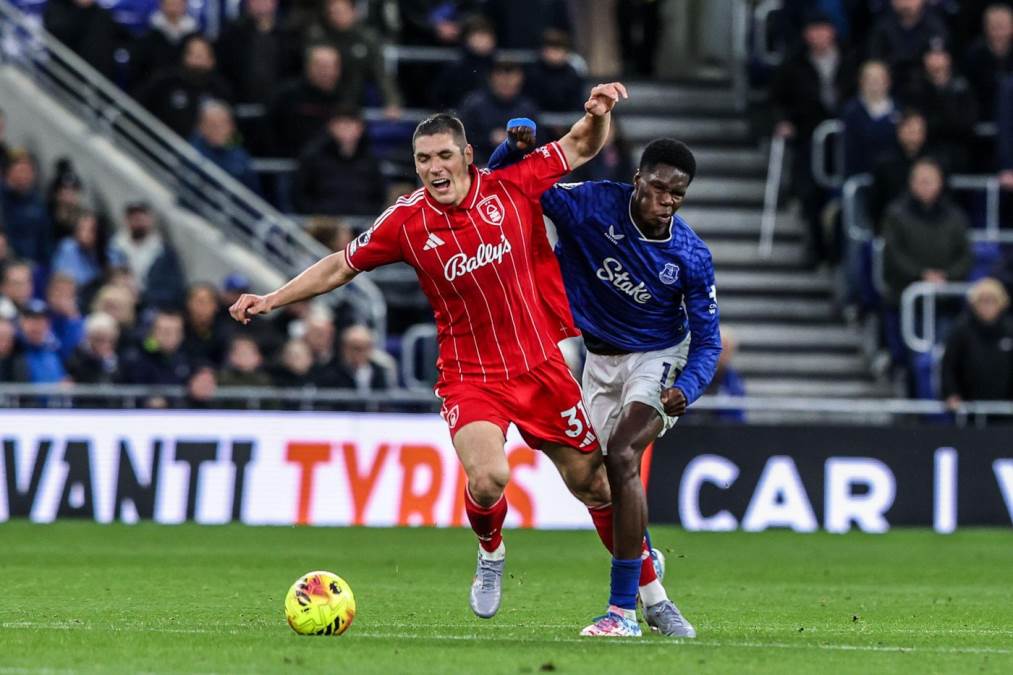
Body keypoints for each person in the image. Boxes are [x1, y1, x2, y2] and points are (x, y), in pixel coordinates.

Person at [229, 83, 653, 628]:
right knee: (489, 478)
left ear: (467, 155)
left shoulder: (511, 185)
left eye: (444, 156)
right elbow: (340, 265)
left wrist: (598, 113)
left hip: (540, 366)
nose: (434, 168)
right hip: (470, 376)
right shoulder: (405, 222)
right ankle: (491, 552)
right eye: (423, 159)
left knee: (594, 484)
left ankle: (648, 591)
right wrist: (272, 298)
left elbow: (580, 145)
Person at [488, 133, 718, 637]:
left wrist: (689, 386)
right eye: (659, 188)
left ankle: (621, 613)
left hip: (659, 358)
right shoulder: (592, 205)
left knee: (623, 454)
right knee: (592, 486)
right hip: (598, 360)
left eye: (677, 194)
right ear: (637, 180)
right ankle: (650, 584)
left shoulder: (690, 255)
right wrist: (512, 149)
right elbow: (512, 184)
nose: (667, 201)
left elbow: (708, 341)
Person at [882, 158, 972, 367]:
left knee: (944, 357)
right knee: (911, 358)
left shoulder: (955, 216)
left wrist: (947, 276)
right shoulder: (896, 214)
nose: (925, 186)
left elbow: (966, 256)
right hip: (905, 298)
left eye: (930, 180)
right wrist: (921, 275)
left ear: (940, 183)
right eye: (921, 181)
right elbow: (893, 254)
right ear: (911, 183)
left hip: (945, 300)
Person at [304, 0, 402, 117]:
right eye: (333, 12)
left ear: (353, 12)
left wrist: (392, 101)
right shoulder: (318, 35)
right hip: (320, 96)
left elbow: (381, 73)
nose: (338, 16)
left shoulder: (367, 38)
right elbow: (308, 70)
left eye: (342, 11)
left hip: (354, 97)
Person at [294, 105, 387, 215]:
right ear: (331, 127)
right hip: (323, 221)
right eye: (341, 123)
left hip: (364, 221)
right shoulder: (313, 157)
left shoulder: (371, 159)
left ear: (360, 128)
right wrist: (320, 215)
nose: (346, 128)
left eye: (351, 123)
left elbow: (379, 195)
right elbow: (300, 194)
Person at [135, 35, 233, 139]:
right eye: (193, 55)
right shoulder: (165, 82)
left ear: (211, 61)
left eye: (201, 56)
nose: (197, 62)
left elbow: (230, 132)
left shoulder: (220, 90)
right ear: (184, 57)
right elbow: (139, 106)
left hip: (206, 147)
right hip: (160, 143)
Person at [901, 46, 978, 171]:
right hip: (925, 150)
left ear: (949, 59)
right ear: (924, 59)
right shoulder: (915, 87)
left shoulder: (962, 87)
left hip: (959, 149)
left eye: (940, 55)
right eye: (932, 56)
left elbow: (969, 123)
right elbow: (915, 121)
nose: (936, 61)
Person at [941, 278, 1013, 408]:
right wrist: (951, 393)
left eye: (992, 301)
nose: (987, 306)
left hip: (1006, 407)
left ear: (1001, 303)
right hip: (968, 407)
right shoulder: (961, 330)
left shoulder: (1010, 330)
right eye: (982, 301)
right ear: (974, 303)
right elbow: (949, 365)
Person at [459, 59, 540, 164]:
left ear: (520, 79)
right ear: (491, 78)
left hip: (517, 164)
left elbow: (538, 142)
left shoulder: (528, 108)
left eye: (511, 76)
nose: (506, 80)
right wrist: (488, 138)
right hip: (479, 162)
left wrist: (517, 141)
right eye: (501, 75)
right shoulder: (474, 104)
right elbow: (462, 136)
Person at [868, 0, 949, 92]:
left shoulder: (934, 26)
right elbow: (874, 57)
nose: (906, 3)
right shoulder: (882, 26)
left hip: (924, 81)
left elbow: (939, 54)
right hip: (890, 79)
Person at [841, 60, 899, 178]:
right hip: (859, 174)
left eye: (879, 78)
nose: (874, 83)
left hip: (893, 174)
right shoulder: (851, 111)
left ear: (888, 81)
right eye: (870, 78)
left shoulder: (899, 109)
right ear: (861, 81)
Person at [190, 100, 260, 193]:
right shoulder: (191, 154)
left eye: (224, 123)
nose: (220, 129)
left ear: (232, 126)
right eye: (213, 125)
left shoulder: (238, 152)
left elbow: (253, 191)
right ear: (202, 127)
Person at [42, 0, 121, 79]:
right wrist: (81, 8)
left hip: (98, 77)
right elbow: (56, 32)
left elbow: (118, 37)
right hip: (66, 74)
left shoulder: (101, 15)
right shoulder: (58, 7)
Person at [431, 15, 497, 108]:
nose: (485, 40)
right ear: (467, 39)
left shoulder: (498, 66)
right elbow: (440, 97)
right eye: (479, 35)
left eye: (488, 35)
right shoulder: (455, 68)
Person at [963, 4, 1013, 125]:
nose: (999, 32)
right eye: (994, 26)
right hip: (981, 116)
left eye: (1003, 26)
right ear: (985, 27)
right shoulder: (974, 54)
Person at [1, 150, 53, 266]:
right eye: (20, 170)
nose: (24, 175)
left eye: (28, 171)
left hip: (29, 264)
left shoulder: (38, 204)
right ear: (9, 171)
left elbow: (44, 241)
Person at [129, 0, 200, 83]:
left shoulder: (194, 36)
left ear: (185, 5)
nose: (173, 8)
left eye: (177, 4)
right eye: (170, 4)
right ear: (161, 5)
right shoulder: (149, 36)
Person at [316, 324, 391, 391]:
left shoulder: (379, 371)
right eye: (355, 348)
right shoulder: (330, 374)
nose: (360, 353)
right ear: (344, 348)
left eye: (365, 348)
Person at [524, 29, 584, 113]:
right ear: (543, 51)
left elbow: (577, 103)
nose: (554, 54)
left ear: (566, 52)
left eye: (558, 48)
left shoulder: (572, 74)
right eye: (550, 48)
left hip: (568, 117)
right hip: (538, 117)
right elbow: (529, 101)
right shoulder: (533, 73)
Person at [66, 311, 122, 384]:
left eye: (110, 341)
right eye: (99, 340)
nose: (105, 345)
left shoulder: (120, 359)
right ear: (89, 338)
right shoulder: (78, 358)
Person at [18, 299, 67, 384]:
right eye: (31, 320)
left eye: (41, 321)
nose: (36, 326)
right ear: (22, 322)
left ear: (48, 324)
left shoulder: (53, 351)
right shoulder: (14, 348)